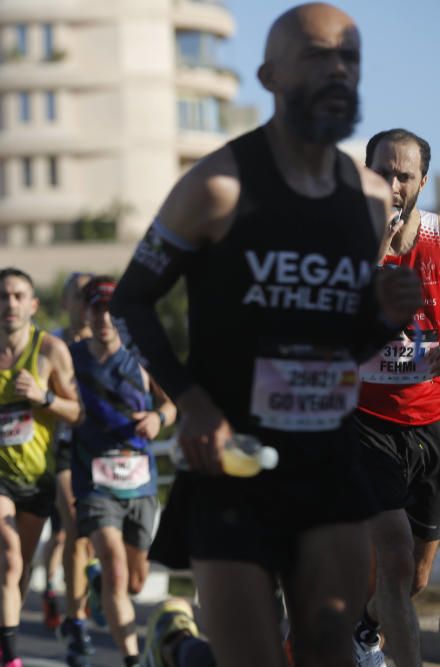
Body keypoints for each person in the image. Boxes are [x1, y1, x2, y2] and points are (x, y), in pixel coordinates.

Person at [108, 4, 423, 666]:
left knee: (328, 651)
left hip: (329, 461)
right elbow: (132, 302)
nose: (339, 69)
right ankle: (187, 648)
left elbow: (343, 344)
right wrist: (190, 399)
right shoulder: (217, 186)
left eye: (351, 58)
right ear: (269, 74)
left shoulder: (367, 200)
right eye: (317, 54)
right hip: (233, 463)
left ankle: (189, 653)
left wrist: (383, 320)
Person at [0, 267, 82, 667]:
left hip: (37, 474)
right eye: (3, 296)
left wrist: (44, 398)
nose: (11, 304)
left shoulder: (50, 352)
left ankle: (3, 627)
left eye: (19, 296)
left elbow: (77, 412)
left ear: (33, 304)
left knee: (19, 567)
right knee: (7, 555)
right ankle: (8, 656)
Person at [351, 128, 438, 667]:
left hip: (431, 422)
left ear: (422, 182)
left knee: (417, 576)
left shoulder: (438, 242)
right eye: (383, 172)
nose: (394, 184)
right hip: (367, 423)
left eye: (404, 175)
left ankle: (363, 628)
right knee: (397, 559)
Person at [67, 276, 176, 667]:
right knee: (114, 567)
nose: (105, 318)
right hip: (93, 479)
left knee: (135, 581)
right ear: (87, 312)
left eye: (112, 310)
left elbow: (172, 403)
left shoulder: (142, 355)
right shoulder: (71, 356)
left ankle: (96, 584)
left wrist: (158, 418)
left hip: (140, 480)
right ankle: (131, 659)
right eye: (97, 309)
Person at [48, 273, 97, 649]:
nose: (88, 302)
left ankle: (86, 587)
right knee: (75, 522)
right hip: (62, 445)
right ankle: (76, 617)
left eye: (93, 295)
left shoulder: (110, 343)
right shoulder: (52, 345)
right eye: (81, 296)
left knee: (86, 535)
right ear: (67, 304)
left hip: (104, 449)